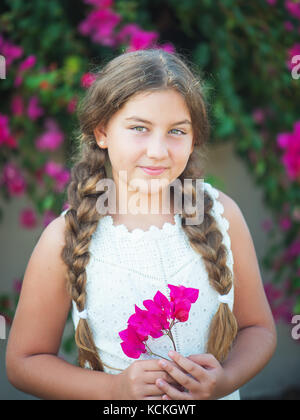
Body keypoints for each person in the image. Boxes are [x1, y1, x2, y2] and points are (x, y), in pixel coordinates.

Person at [6, 48, 277, 400]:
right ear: (102, 132)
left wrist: (225, 380)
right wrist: (113, 388)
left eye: (176, 131)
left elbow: (259, 328)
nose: (158, 150)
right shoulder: (64, 238)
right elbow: (24, 361)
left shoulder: (222, 216)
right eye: (139, 128)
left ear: (194, 136)